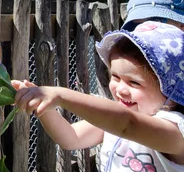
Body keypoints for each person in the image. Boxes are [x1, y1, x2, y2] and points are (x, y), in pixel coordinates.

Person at [12, 21, 184, 171]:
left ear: (171, 90)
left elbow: (128, 124)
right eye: (115, 77)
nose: (121, 89)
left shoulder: (175, 133)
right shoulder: (111, 122)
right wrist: (42, 105)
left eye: (135, 83)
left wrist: (60, 95)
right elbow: (71, 137)